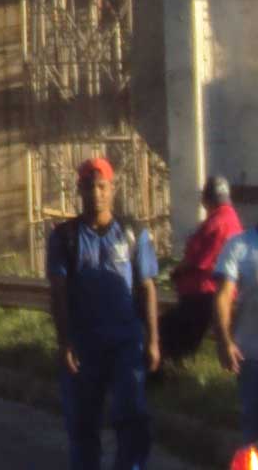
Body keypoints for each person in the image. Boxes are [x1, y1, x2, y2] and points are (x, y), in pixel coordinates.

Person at [48, 155, 160, 470]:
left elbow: (147, 287)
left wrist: (153, 341)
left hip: (126, 342)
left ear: (112, 189)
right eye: (89, 187)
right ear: (79, 190)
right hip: (84, 345)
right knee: (83, 425)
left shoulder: (132, 233)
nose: (96, 194)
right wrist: (65, 341)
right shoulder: (65, 237)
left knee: (133, 418)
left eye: (102, 187)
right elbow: (58, 291)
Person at [214, 179, 258, 464]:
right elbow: (223, 296)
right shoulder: (240, 246)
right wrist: (225, 341)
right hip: (254, 361)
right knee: (257, 443)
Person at [165, 177, 245, 368]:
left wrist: (174, 272)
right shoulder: (232, 219)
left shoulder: (215, 223)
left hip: (203, 293)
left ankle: (163, 368)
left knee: (165, 332)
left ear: (207, 200)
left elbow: (197, 260)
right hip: (219, 291)